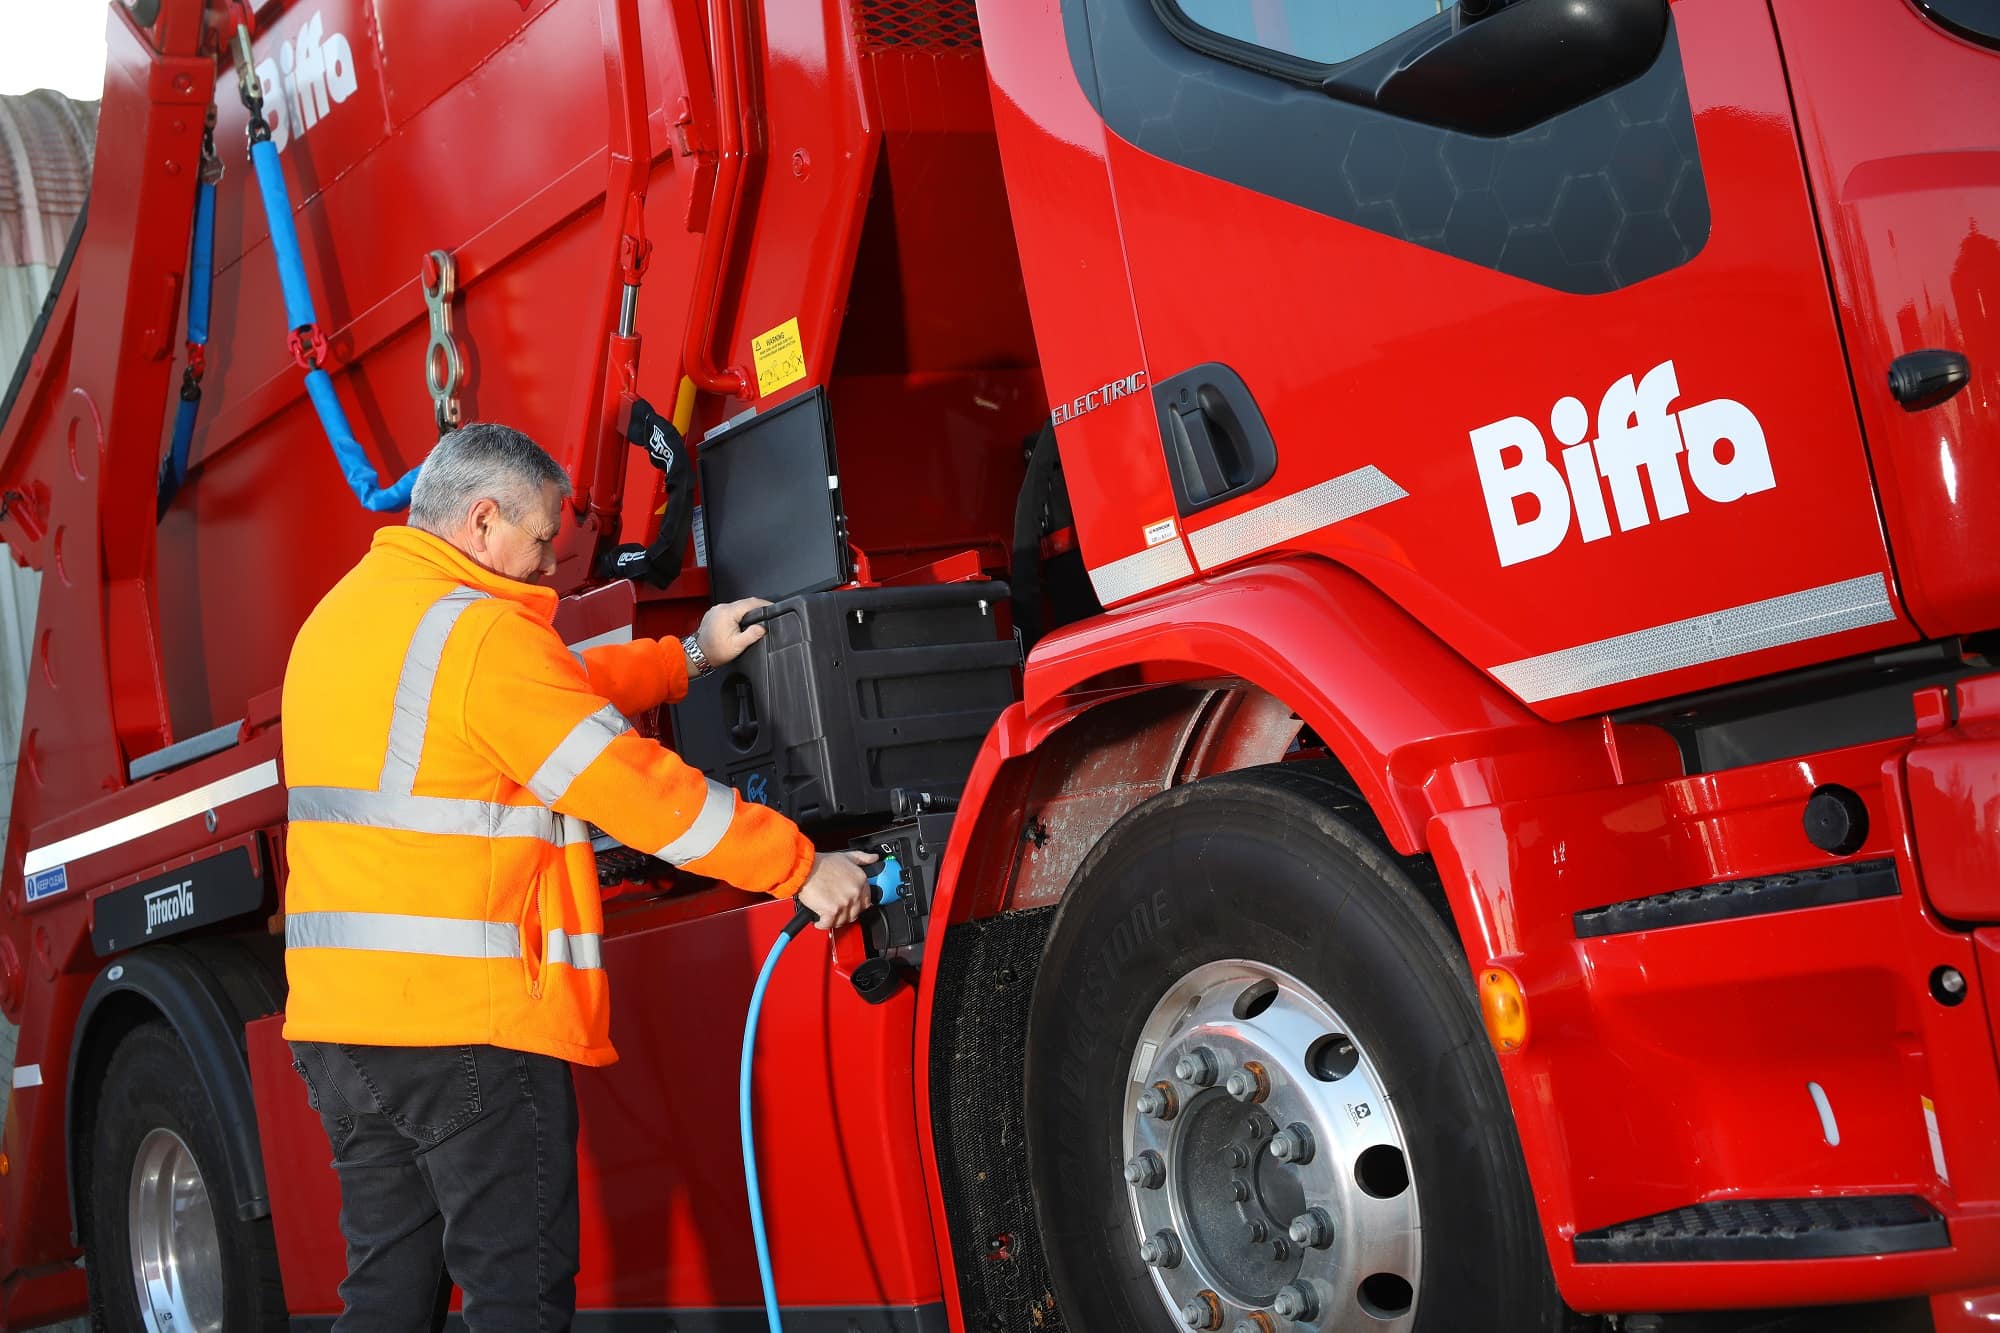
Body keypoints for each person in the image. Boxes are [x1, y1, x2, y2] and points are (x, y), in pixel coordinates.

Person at [278, 421, 874, 1330]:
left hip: (344, 1031)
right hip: (465, 1027)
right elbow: (638, 793)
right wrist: (799, 864)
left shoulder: (344, 618)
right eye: (544, 537)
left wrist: (687, 659)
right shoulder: (481, 637)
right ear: (481, 522)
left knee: (385, 1296)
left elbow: (543, 693)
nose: (554, 563)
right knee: (516, 1294)